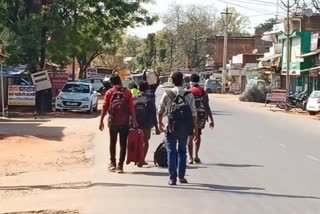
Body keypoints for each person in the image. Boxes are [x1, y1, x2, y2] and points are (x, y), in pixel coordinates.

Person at [158, 72, 198, 185]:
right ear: (182, 81)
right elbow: (194, 113)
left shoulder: (167, 93)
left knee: (171, 152)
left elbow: (160, 110)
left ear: (172, 81)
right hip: (185, 128)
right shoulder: (189, 95)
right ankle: (181, 177)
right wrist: (195, 129)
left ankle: (172, 178)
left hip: (171, 127)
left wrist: (159, 123)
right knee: (182, 151)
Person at [99, 74, 138, 174]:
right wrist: (134, 120)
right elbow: (132, 108)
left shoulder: (109, 93)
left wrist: (101, 120)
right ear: (120, 81)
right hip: (125, 122)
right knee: (123, 143)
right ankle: (120, 166)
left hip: (113, 122)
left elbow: (104, 107)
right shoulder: (127, 92)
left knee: (113, 142)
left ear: (111, 83)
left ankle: (113, 164)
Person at [187, 74, 215, 164]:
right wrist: (211, 119)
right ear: (198, 81)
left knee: (190, 136)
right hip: (201, 116)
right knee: (198, 135)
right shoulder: (203, 92)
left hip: (190, 117)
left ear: (190, 82)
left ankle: (190, 158)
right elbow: (207, 106)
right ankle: (196, 156)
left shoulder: (188, 91)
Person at [133, 81, 160, 165]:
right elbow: (153, 113)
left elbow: (129, 111)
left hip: (135, 123)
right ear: (147, 88)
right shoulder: (149, 98)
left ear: (138, 88)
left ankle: (136, 157)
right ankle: (142, 159)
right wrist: (156, 127)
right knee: (145, 141)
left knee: (136, 141)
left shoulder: (134, 97)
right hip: (147, 123)